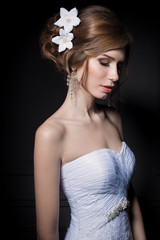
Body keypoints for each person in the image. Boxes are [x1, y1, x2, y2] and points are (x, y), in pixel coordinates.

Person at [34, 5, 147, 240]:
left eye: (119, 65)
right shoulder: (51, 133)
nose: (115, 75)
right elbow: (47, 233)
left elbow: (128, 194)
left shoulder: (113, 117)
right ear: (74, 60)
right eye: (105, 62)